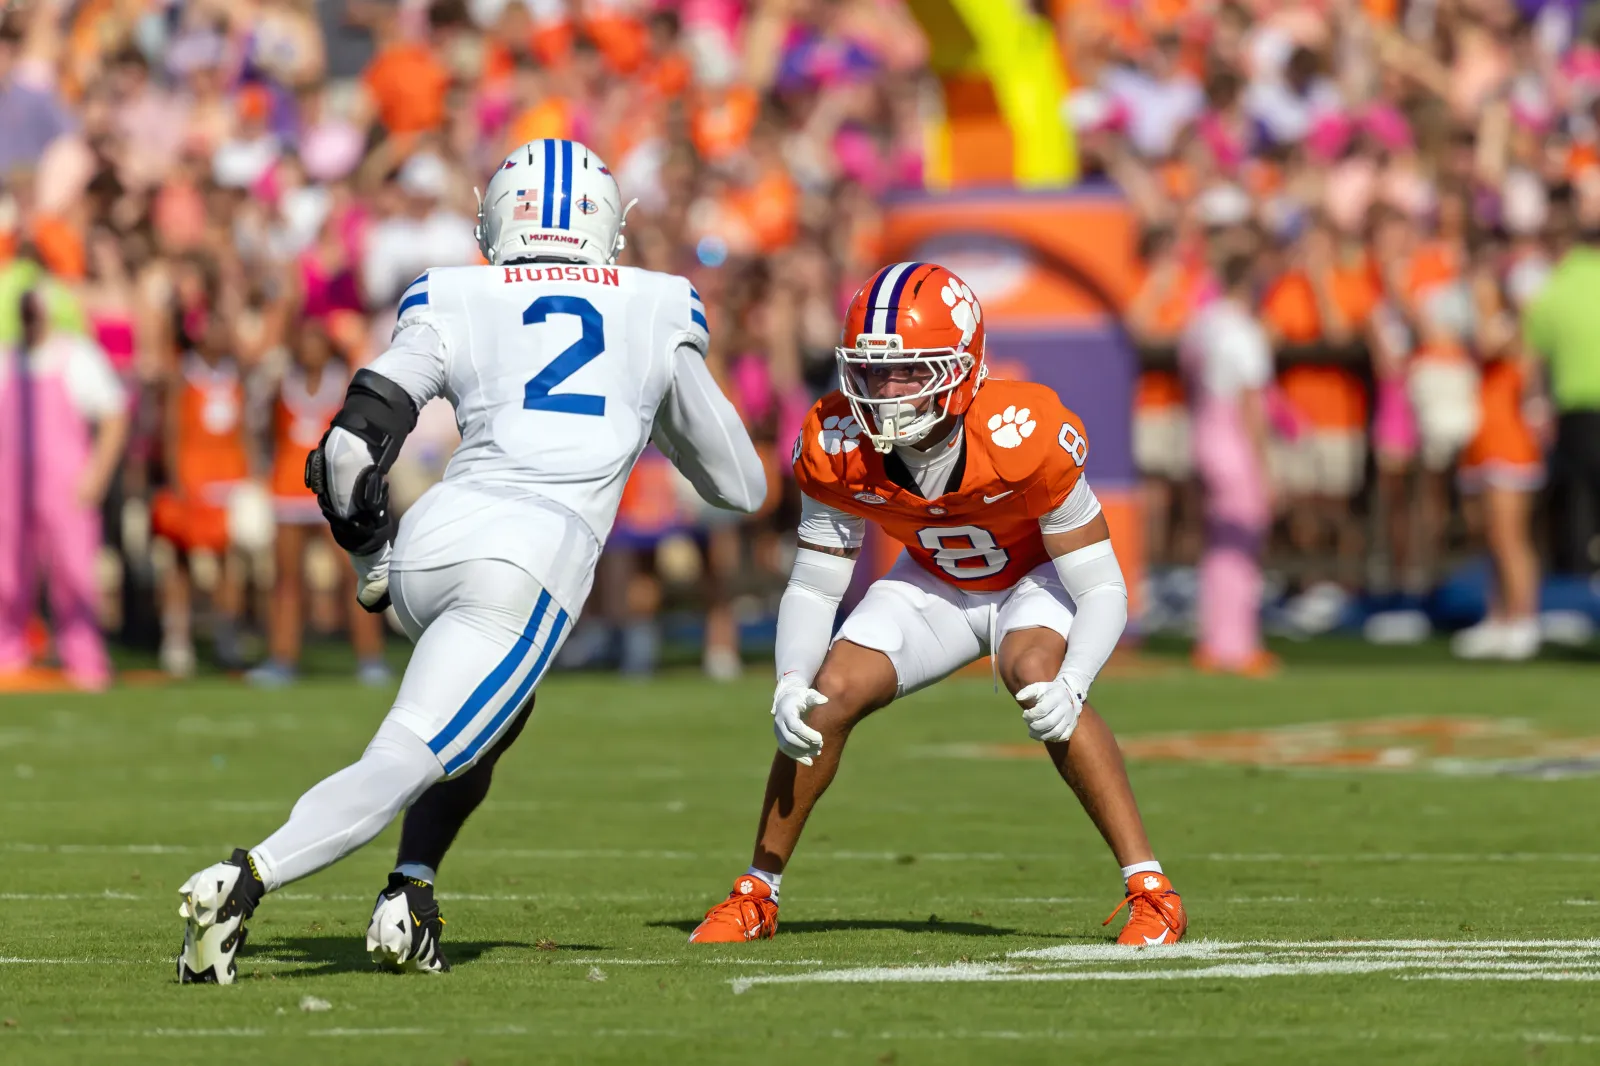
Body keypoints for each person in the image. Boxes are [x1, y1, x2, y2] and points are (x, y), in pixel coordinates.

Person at [175, 139, 767, 984]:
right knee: (406, 755)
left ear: (498, 218)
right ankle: (243, 880)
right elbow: (740, 485)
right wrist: (654, 407)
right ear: (607, 224)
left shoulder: (456, 292)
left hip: (432, 540)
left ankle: (409, 896)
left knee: (492, 718)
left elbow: (345, 454)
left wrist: (372, 560)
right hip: (525, 566)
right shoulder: (657, 305)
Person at [687, 262, 1186, 947]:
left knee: (1035, 674)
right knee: (823, 699)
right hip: (935, 583)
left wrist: (1076, 681)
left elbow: (1102, 587)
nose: (886, 392)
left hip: (1034, 581)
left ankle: (1152, 892)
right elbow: (814, 583)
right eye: (871, 372)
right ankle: (756, 893)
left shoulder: (1024, 432)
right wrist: (789, 680)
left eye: (909, 372)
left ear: (963, 370)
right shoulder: (836, 441)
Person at [245, 323, 390, 686]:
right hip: (288, 489)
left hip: (336, 492)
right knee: (287, 580)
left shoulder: (346, 383)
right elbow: (262, 430)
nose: (308, 350)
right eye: (303, 342)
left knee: (353, 576)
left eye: (316, 343)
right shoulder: (281, 383)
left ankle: (370, 659)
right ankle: (282, 658)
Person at [1183, 251, 1277, 675]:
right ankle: (1237, 643)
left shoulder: (1202, 324)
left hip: (1204, 429)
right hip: (1233, 436)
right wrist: (1265, 464)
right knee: (1242, 541)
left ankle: (1216, 640)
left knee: (1220, 542)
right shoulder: (1242, 330)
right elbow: (1252, 403)